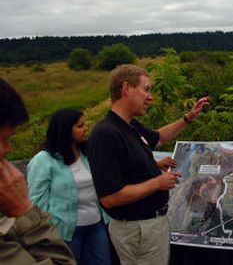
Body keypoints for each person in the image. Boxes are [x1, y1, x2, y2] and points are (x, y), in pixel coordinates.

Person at [86, 64, 209, 265]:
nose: (150, 97)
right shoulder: (105, 135)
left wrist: (187, 118)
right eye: (146, 89)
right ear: (126, 88)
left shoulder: (129, 125)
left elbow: (159, 137)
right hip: (138, 231)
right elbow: (109, 198)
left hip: (148, 228)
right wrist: (157, 183)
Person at [0, 78, 75, 264]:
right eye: (3, 140)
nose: (8, 149)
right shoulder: (43, 160)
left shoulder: (83, 154)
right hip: (62, 231)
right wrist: (23, 211)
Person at [27, 108, 111, 265]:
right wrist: (52, 225)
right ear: (65, 130)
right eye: (80, 126)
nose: (86, 129)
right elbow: (36, 200)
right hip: (64, 231)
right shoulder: (44, 160)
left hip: (96, 225)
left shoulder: (87, 153)